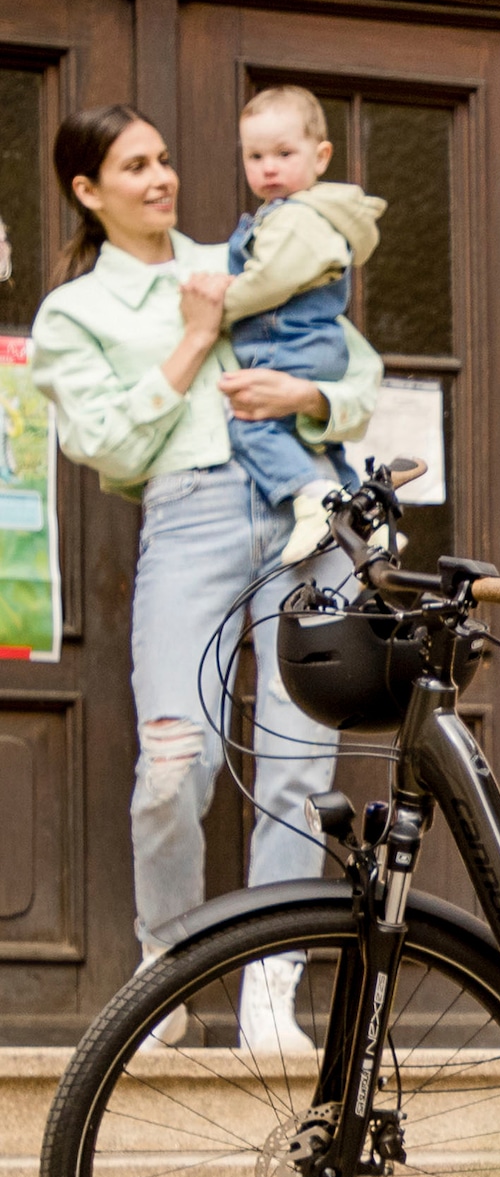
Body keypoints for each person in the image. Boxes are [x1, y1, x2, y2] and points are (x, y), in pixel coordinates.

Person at [27, 104, 384, 1052]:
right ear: (87, 190)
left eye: (166, 158)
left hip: (305, 511)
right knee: (171, 764)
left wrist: (308, 395)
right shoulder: (77, 313)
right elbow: (103, 446)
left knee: (301, 762)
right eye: (135, 166)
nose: (161, 178)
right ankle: (169, 962)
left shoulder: (250, 252)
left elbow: (359, 376)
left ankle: (274, 980)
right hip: (187, 518)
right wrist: (193, 340)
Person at [220, 84, 386, 567]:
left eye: (283, 153)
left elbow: (268, 282)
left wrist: (221, 305)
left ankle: (311, 499)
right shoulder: (297, 214)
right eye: (255, 156)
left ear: (321, 156)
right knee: (323, 445)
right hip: (312, 346)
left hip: (285, 345)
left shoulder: (298, 218)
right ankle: (363, 521)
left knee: (251, 425)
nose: (268, 167)